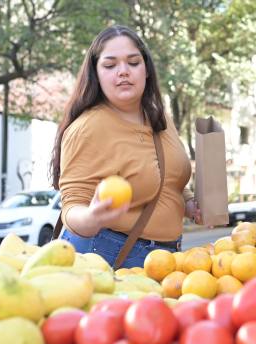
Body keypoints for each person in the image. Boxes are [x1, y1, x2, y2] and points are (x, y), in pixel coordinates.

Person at [50, 25, 201, 268]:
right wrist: (91, 217)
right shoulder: (88, 128)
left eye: (133, 62)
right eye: (110, 65)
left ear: (147, 70)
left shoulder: (160, 118)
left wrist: (191, 205)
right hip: (105, 254)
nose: (123, 72)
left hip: (166, 260)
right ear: (96, 73)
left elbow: (167, 177)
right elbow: (71, 207)